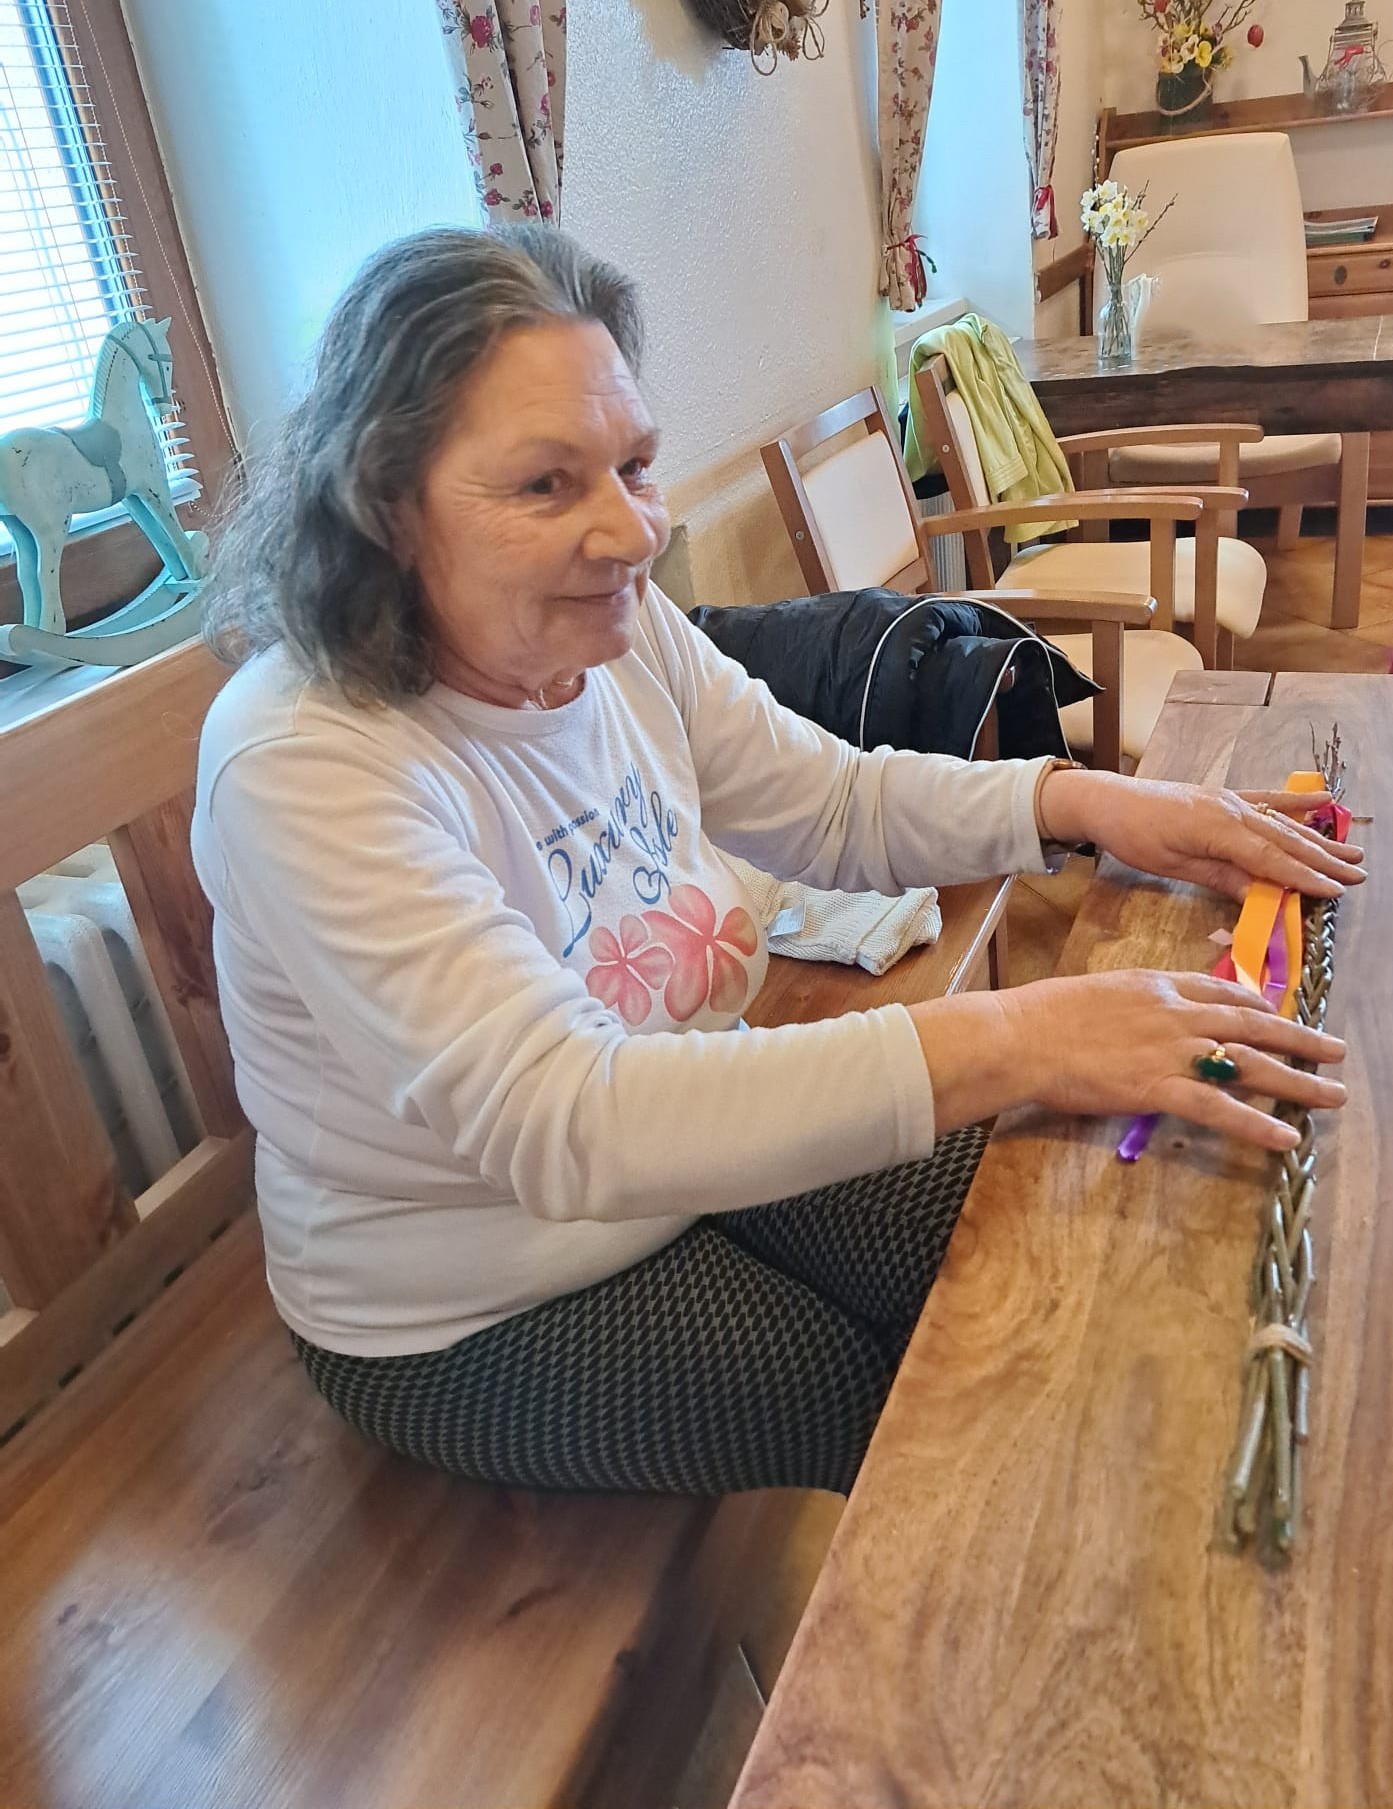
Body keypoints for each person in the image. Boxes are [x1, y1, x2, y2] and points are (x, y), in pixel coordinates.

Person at [193, 225, 1362, 1498]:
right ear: (384, 505)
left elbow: (832, 801)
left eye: (634, 466)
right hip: (475, 1288)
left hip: (690, 1134)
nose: (631, 532)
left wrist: (1081, 801)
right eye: (544, 485)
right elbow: (570, 1121)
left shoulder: (615, 632)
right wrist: (1023, 1034)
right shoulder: (304, 759)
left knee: (1040, 1244)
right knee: (916, 1408)